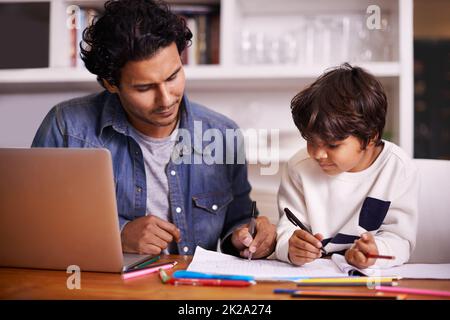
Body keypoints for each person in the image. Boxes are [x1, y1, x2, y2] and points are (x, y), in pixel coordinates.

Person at [32, 0, 276, 258]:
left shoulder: (224, 135)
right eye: (144, 88)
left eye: (172, 77)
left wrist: (247, 235)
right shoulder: (66, 127)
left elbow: (236, 222)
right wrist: (119, 233)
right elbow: (32, 221)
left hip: (190, 291)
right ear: (110, 84)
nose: (166, 99)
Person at [275, 63, 419, 269]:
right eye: (311, 141)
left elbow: (400, 239)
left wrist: (377, 252)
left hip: (367, 280)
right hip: (311, 276)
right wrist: (290, 247)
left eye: (333, 145)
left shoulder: (398, 168)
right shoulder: (299, 167)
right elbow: (287, 228)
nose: (318, 153)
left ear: (370, 137)